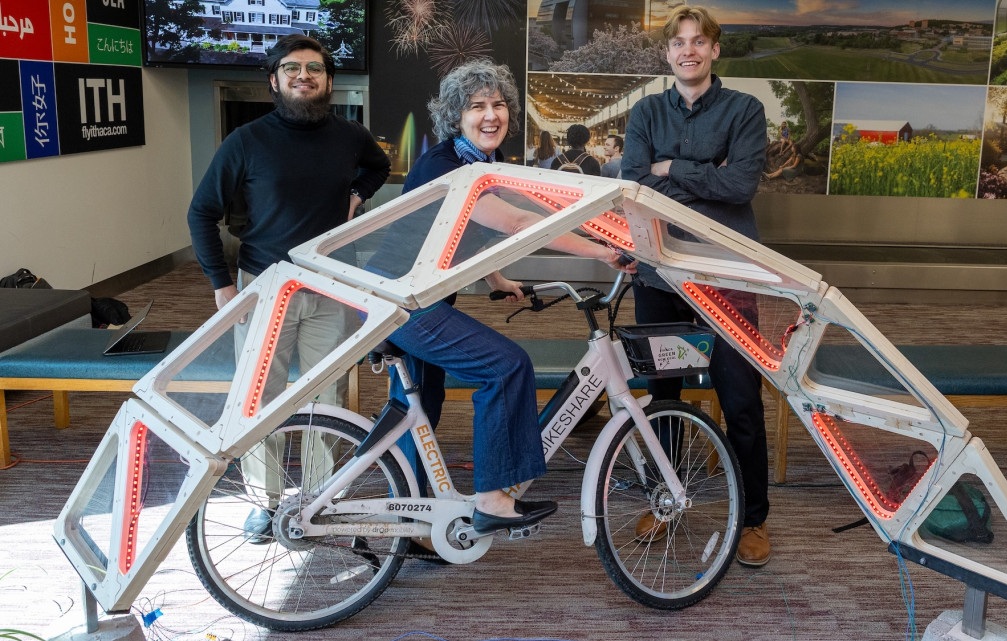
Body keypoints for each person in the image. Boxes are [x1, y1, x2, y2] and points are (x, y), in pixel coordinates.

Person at [370, 59, 635, 539]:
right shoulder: (445, 167)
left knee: (420, 409)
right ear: (457, 116)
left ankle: (408, 519)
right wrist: (601, 248)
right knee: (506, 366)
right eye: (476, 107)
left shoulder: (475, 162)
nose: (490, 115)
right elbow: (513, 222)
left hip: (408, 296)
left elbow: (461, 229)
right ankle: (493, 499)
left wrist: (495, 277)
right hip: (404, 302)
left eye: (497, 105)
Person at [187, 34, 391, 543]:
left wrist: (357, 196)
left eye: (315, 69)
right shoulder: (247, 141)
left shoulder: (350, 136)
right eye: (293, 68)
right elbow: (201, 213)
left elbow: (378, 167)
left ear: (328, 81)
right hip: (264, 286)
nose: (304, 75)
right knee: (262, 398)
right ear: (274, 80)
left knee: (328, 396)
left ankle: (323, 495)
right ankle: (266, 500)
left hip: (330, 285)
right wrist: (221, 288)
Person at [621, 5, 772, 567]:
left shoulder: (744, 109)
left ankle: (754, 519)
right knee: (664, 396)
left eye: (698, 42)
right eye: (678, 43)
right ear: (668, 54)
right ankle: (664, 504)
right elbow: (634, 183)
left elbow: (739, 185)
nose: (688, 51)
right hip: (659, 272)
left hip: (725, 276)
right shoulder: (645, 112)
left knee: (741, 401)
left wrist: (670, 170)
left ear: (713, 50)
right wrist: (691, 176)